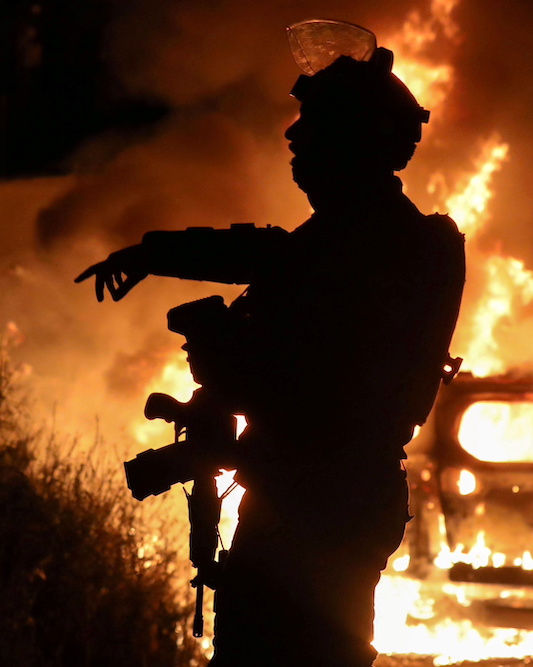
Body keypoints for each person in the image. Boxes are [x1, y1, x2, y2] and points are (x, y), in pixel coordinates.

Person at [76, 24, 465, 666]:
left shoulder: (382, 248)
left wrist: (231, 358)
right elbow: (269, 253)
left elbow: (319, 377)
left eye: (310, 125)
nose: (292, 137)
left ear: (349, 143)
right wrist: (155, 251)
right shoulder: (362, 240)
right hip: (313, 499)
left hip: (318, 506)